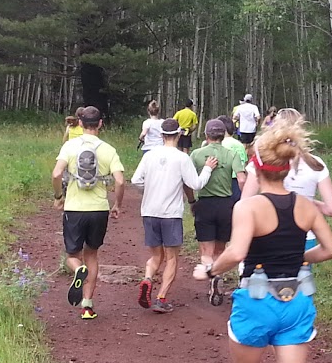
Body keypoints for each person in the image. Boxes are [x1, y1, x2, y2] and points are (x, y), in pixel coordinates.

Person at [210, 117, 332, 363]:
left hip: (256, 300)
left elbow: (236, 252)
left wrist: (209, 270)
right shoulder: (305, 206)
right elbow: (331, 250)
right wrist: (300, 258)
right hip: (297, 301)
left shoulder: (248, 207)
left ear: (256, 165)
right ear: (289, 166)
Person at [245, 108, 332, 363]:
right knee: (299, 304)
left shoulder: (263, 158)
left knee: (272, 302)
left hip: (270, 238)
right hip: (308, 240)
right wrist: (309, 204)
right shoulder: (316, 164)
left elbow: (247, 199)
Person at [131, 117, 214, 313]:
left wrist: (148, 189)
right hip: (170, 214)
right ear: (178, 135)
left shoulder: (149, 155)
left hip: (149, 211)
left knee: (154, 256)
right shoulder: (182, 158)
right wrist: (208, 168)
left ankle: (148, 279)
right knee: (171, 258)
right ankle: (161, 298)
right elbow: (196, 184)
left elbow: (136, 180)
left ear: (161, 135)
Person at [52, 106, 125, 320]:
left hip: (74, 208)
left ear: (80, 123)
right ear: (101, 123)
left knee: (73, 256)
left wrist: (58, 197)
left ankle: (77, 270)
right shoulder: (108, 150)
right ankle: (87, 306)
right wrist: (117, 204)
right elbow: (120, 180)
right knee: (92, 254)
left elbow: (57, 173)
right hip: (99, 210)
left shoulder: (69, 146)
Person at [190, 119, 244, 282]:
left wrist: (191, 200)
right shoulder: (231, 154)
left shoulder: (196, 154)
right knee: (220, 249)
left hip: (205, 204)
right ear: (224, 135)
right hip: (225, 204)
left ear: (206, 135)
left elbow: (188, 181)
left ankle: (209, 275)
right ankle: (217, 275)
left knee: (206, 251)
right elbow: (241, 179)